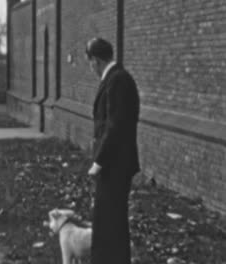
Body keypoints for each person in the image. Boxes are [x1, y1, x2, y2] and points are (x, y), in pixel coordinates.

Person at [85, 38, 140, 264]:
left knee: (110, 221)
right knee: (109, 220)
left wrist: (98, 162)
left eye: (89, 63)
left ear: (95, 61)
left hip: (114, 165)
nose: (90, 68)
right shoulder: (117, 78)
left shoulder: (117, 80)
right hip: (115, 164)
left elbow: (115, 125)